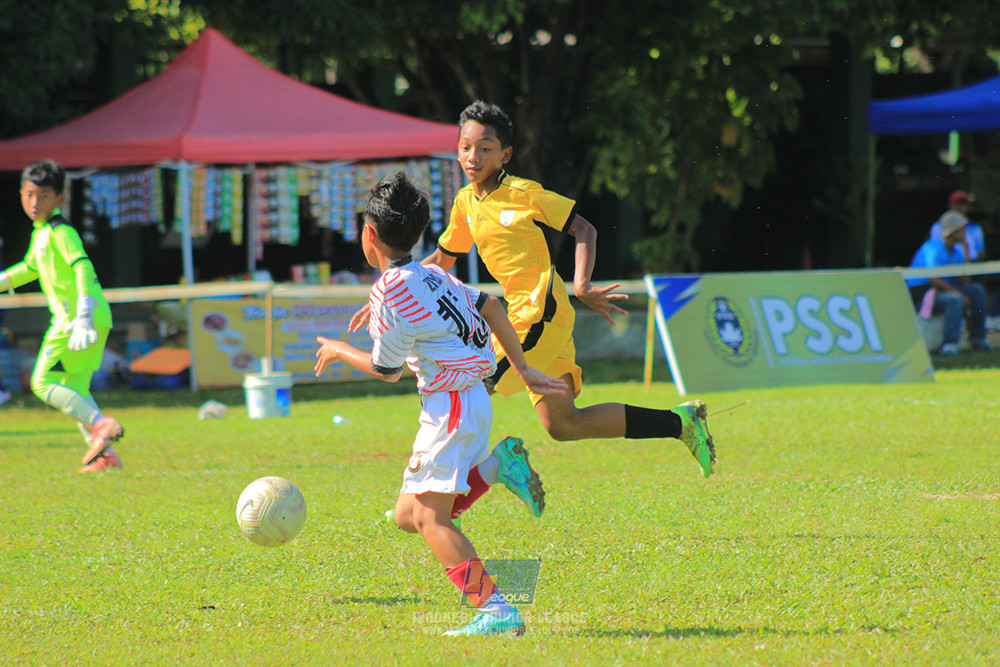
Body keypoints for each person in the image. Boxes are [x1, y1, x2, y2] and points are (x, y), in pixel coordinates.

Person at [350, 101, 715, 478]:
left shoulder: (524, 194)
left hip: (541, 313)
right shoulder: (465, 203)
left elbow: (584, 228)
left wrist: (582, 283)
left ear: (505, 154)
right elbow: (440, 261)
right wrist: (388, 288)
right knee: (564, 424)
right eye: (465, 146)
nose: (473, 156)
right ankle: (680, 423)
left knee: (467, 382)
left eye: (485, 147)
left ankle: (446, 490)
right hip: (527, 317)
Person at [315, 171, 568, 636]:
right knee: (406, 516)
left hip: (449, 408)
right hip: (471, 400)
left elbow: (387, 370)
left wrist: (338, 349)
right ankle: (499, 465)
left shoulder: (389, 289)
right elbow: (491, 306)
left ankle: (496, 611)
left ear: (369, 236)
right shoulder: (430, 272)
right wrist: (522, 366)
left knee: (432, 520)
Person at [0, 160, 125, 471]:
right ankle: (106, 458)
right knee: (76, 391)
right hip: (94, 317)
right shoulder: (41, 232)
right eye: (29, 194)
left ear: (60, 198)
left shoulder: (60, 230)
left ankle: (102, 424)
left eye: (43, 196)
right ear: (20, 194)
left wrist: (82, 315)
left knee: (42, 382)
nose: (34, 202)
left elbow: (82, 265)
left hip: (76, 319)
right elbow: (30, 268)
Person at [907, 211, 992, 356]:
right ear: (952, 232)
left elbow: (965, 281)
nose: (966, 233)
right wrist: (959, 294)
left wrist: (966, 253)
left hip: (942, 291)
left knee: (976, 290)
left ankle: (978, 338)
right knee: (955, 300)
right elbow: (934, 279)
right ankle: (949, 344)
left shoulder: (957, 252)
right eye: (962, 230)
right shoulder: (933, 248)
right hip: (923, 294)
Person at [930, 190, 986, 262]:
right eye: (957, 203)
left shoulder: (975, 227)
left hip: (970, 263)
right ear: (950, 205)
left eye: (964, 204)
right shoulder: (938, 226)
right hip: (945, 263)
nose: (960, 207)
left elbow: (981, 252)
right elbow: (936, 250)